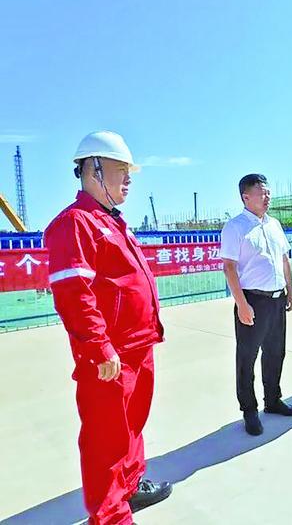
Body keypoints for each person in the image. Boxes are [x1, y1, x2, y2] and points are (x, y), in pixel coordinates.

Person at [44, 131, 171, 524]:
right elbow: (74, 294)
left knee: (132, 427)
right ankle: (111, 516)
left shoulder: (113, 222)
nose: (128, 179)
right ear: (93, 169)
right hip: (109, 356)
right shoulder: (75, 223)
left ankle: (129, 488)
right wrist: (99, 347)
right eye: (120, 170)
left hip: (137, 345)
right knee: (107, 440)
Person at [221, 174, 292, 436]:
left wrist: (290, 290)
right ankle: (249, 410)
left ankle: (273, 399)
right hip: (252, 300)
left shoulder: (274, 224)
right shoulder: (235, 227)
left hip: (277, 300)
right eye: (262, 193)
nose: (268, 197)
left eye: (268, 192)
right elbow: (229, 267)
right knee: (247, 357)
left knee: (276, 352)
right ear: (246, 197)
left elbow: (284, 259)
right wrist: (242, 304)